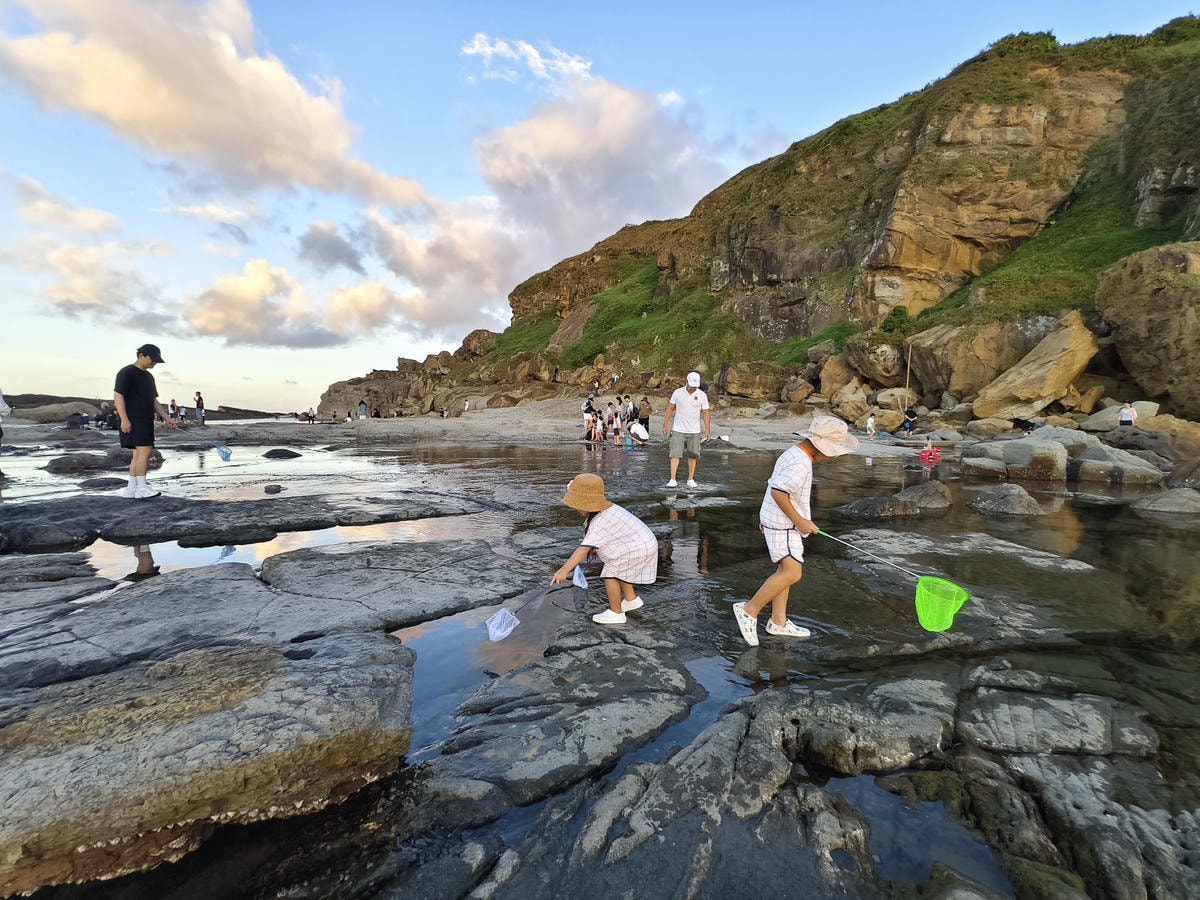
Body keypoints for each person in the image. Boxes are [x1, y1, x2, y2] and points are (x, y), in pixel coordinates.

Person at [732, 416, 859, 646]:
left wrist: (766, 515)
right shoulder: (801, 463)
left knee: (784, 571)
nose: (833, 456)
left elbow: (773, 484)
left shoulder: (795, 453)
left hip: (776, 520)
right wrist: (800, 520)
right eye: (834, 451)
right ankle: (749, 610)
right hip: (784, 525)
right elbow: (778, 492)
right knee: (793, 573)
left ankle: (778, 621)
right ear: (824, 448)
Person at [551, 474, 658, 625]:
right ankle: (631, 600)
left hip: (638, 548)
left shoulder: (599, 521)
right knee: (621, 570)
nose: (575, 508)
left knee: (611, 574)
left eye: (577, 505)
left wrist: (564, 570)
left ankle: (616, 613)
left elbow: (582, 550)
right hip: (643, 543)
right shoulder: (607, 510)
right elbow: (609, 535)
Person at [113, 344, 175, 499]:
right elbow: (118, 396)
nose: (154, 363)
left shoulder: (148, 376)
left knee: (138, 453)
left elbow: (153, 400)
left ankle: (132, 488)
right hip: (133, 419)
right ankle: (142, 487)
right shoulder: (126, 372)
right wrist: (124, 419)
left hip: (146, 419)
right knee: (145, 451)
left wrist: (167, 418)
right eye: (152, 359)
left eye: (156, 361)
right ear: (141, 355)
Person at [662, 372, 711, 488]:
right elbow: (670, 408)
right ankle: (673, 479)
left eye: (695, 386)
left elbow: (705, 412)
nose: (693, 388)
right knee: (675, 454)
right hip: (678, 429)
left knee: (693, 455)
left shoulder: (702, 395)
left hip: (694, 430)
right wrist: (665, 425)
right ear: (686, 381)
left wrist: (708, 430)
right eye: (691, 385)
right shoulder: (678, 392)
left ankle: (690, 479)